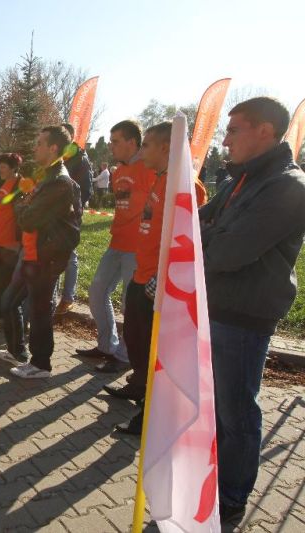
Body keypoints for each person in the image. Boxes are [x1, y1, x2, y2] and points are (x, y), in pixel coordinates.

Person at [199, 97, 305, 523]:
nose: (224, 140)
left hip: (243, 317)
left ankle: (232, 498)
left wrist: (203, 238)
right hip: (215, 305)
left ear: (265, 130)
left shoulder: (288, 186)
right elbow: (197, 221)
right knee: (217, 407)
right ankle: (213, 482)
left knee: (237, 410)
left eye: (234, 129)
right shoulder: (240, 180)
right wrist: (204, 234)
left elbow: (228, 251)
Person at [106, 122, 172, 433]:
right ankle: (137, 384)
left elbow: (188, 240)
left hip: (157, 281)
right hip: (140, 273)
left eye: (146, 145)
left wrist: (161, 276)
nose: (141, 151)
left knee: (151, 347)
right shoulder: (159, 180)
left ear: (166, 148)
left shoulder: (183, 187)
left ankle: (150, 416)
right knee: (134, 337)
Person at [78, 120, 155, 373]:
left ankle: (125, 356)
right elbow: (123, 206)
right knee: (97, 291)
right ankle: (106, 345)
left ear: (132, 143)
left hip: (138, 247)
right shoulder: (119, 171)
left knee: (129, 303)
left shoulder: (149, 168)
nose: (111, 146)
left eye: (115, 141)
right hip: (116, 243)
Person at [4, 126, 82, 379]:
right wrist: (24, 206)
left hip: (43, 258)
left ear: (53, 148)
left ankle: (41, 364)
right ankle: (18, 351)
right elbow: (23, 207)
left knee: (39, 311)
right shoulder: (46, 176)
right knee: (9, 302)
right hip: (30, 254)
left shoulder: (59, 181)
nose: (34, 147)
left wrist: (23, 208)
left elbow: (27, 217)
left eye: (39, 143)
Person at [56, 124, 94, 315]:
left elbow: (87, 189)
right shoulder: (57, 156)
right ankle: (54, 296)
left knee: (70, 255)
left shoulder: (80, 158)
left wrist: (73, 208)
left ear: (70, 137)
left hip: (70, 216)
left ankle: (68, 298)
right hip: (53, 216)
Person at [0, 153, 23, 318]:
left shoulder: (20, 185)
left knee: (5, 279)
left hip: (8, 241)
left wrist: (17, 240)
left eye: (3, 167)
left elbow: (21, 212)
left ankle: (5, 310)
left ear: (13, 169)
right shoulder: (3, 184)